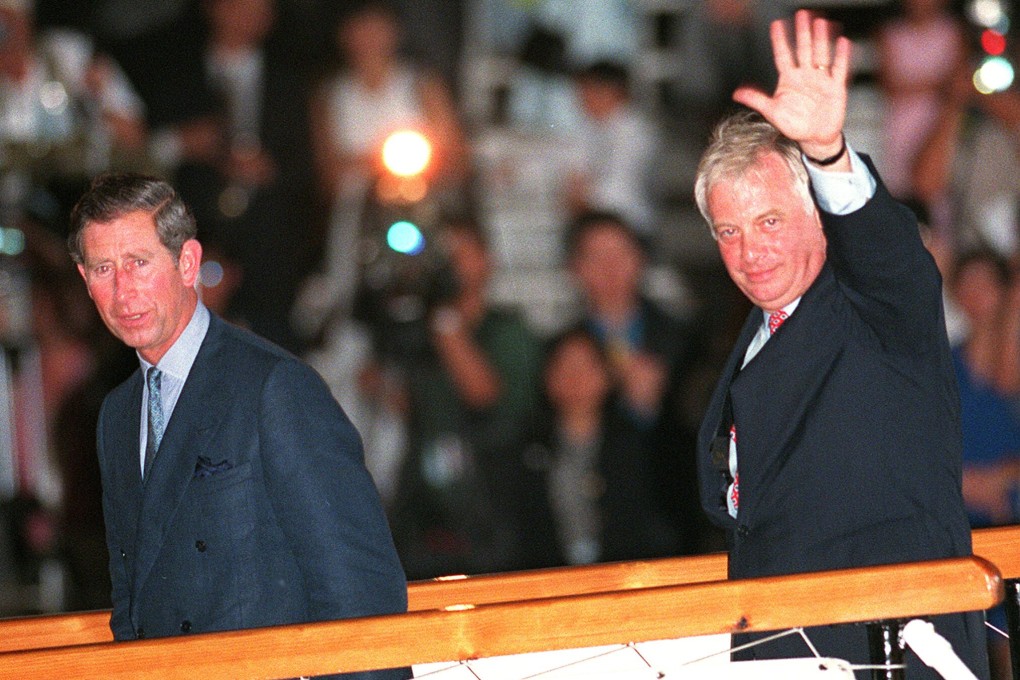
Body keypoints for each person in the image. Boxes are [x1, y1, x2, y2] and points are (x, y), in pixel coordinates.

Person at [693, 10, 989, 677]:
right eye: (729, 231)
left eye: (769, 220)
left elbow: (888, 253)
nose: (750, 250)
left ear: (818, 217)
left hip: (890, 646)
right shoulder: (754, 334)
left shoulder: (880, 307)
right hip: (785, 644)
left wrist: (828, 152)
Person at [66, 173, 408, 680]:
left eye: (139, 262)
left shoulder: (274, 387)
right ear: (84, 279)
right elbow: (131, 602)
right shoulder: (117, 415)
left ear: (188, 263)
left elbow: (362, 594)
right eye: (103, 268)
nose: (123, 290)